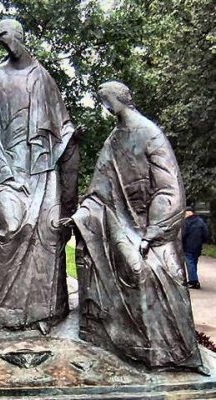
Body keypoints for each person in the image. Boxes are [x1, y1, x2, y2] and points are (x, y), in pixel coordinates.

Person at [60, 81, 207, 374]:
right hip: (119, 218)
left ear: (121, 99)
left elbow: (168, 188)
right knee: (132, 266)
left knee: (150, 270)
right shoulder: (114, 140)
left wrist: (153, 231)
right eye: (102, 101)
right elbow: (99, 187)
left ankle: (166, 351)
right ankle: (129, 341)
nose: (106, 105)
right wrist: (81, 215)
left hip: (150, 222)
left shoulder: (150, 133)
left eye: (108, 99)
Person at [0, 19, 79, 334]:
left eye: (9, 35)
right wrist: (4, 172)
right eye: (0, 37)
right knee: (13, 224)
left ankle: (47, 312)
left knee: (47, 227)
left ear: (21, 35)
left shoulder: (44, 78)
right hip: (7, 171)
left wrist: (68, 140)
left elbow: (63, 126)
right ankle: (3, 314)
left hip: (43, 170)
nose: (6, 42)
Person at [183, 206, 209, 289]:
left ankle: (194, 281)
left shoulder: (186, 222)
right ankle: (193, 279)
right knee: (194, 263)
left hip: (188, 246)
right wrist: (203, 241)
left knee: (190, 263)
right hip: (198, 246)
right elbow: (206, 233)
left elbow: (183, 234)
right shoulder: (200, 221)